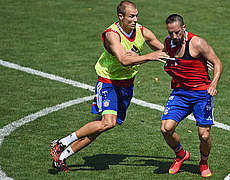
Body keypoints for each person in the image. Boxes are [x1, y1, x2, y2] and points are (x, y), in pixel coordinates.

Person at [50, 0, 169, 172]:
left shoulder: (143, 32)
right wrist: (150, 56)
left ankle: (61, 157)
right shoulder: (112, 34)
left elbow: (167, 51)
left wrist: (195, 60)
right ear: (120, 17)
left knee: (100, 127)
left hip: (126, 85)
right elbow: (123, 59)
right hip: (108, 82)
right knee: (108, 122)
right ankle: (61, 142)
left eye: (136, 15)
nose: (135, 19)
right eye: (131, 16)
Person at [160, 14, 222, 177]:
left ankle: (203, 162)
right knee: (166, 129)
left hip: (202, 93)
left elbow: (217, 62)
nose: (174, 36)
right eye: (170, 33)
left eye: (177, 32)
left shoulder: (197, 43)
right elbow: (165, 56)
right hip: (180, 93)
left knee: (204, 135)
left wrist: (213, 85)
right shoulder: (169, 42)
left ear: (184, 28)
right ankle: (181, 155)